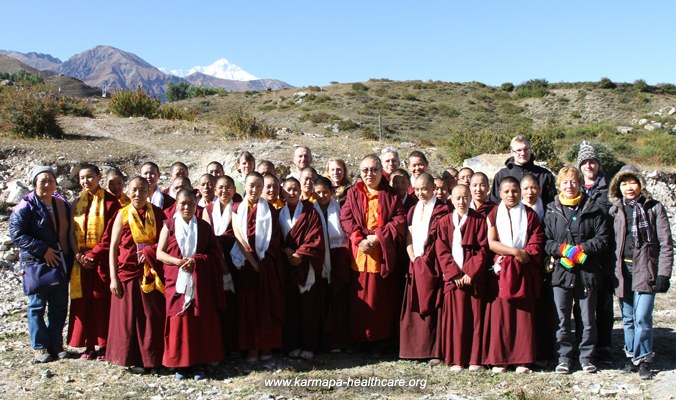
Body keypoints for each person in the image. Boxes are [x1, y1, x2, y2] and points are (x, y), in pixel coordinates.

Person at [608, 165, 673, 380]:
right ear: (618, 186)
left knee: (642, 316)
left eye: (632, 182)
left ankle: (644, 357)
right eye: (624, 183)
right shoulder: (615, 209)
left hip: (646, 268)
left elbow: (666, 244)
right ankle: (632, 356)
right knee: (627, 317)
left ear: (640, 184)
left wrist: (664, 274)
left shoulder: (654, 208)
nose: (629, 187)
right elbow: (612, 244)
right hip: (622, 270)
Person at [544, 167, 609, 374]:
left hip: (587, 271)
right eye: (565, 182)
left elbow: (602, 238)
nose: (569, 186)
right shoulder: (551, 209)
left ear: (580, 183)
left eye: (573, 182)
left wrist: (582, 250)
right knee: (561, 317)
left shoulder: (594, 208)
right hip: (561, 272)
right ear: (559, 185)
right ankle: (564, 357)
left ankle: (586, 357)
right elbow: (546, 240)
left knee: (587, 317)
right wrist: (562, 250)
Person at [156, 189, 226, 380]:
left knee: (199, 321)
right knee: (179, 321)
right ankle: (181, 364)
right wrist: (178, 262)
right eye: (183, 204)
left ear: (196, 205)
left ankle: (199, 363)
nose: (187, 207)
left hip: (199, 281)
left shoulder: (204, 227)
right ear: (176, 205)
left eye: (191, 204)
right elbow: (159, 253)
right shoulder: (168, 225)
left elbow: (215, 254)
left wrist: (197, 261)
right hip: (176, 280)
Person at [340, 155, 406, 353]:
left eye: (374, 169)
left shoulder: (391, 194)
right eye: (365, 170)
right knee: (359, 298)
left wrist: (377, 237)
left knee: (380, 299)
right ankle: (360, 340)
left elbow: (399, 219)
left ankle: (380, 341)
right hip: (360, 251)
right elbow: (346, 217)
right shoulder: (353, 192)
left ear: (381, 171)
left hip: (381, 250)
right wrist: (359, 239)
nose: (369, 174)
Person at [10, 166, 75, 363]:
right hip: (37, 262)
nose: (47, 185)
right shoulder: (26, 205)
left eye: (51, 180)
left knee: (59, 304)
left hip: (61, 260)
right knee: (37, 305)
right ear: (34, 184)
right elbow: (17, 234)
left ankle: (56, 344)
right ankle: (39, 346)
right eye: (42, 181)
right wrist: (42, 250)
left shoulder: (62, 203)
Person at [484, 176, 544, 374]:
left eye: (515, 191)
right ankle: (500, 360)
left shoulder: (529, 214)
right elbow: (492, 243)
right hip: (502, 271)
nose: (511, 195)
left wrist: (523, 253)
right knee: (501, 315)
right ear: (500, 194)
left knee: (522, 316)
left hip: (523, 269)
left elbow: (536, 239)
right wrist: (515, 252)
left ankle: (522, 360)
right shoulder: (493, 213)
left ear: (520, 192)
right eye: (507, 191)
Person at [107, 177, 167, 374]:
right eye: (134, 190)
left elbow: (166, 242)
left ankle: (153, 358)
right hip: (129, 272)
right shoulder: (122, 214)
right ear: (128, 191)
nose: (138, 194)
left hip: (151, 272)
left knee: (151, 316)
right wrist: (113, 278)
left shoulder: (157, 213)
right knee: (129, 317)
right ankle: (131, 358)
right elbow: (113, 247)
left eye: (142, 190)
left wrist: (150, 252)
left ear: (148, 191)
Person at [68, 164, 121, 360]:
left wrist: (94, 254)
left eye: (90, 177)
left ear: (99, 177)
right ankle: (88, 345)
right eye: (82, 178)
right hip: (81, 261)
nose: (86, 181)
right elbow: (71, 233)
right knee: (84, 301)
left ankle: (105, 345)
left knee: (101, 300)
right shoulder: (77, 203)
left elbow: (110, 234)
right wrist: (77, 255)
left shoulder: (110, 202)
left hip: (102, 260)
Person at [231, 172, 285, 362]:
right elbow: (237, 238)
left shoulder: (270, 209)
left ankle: (266, 345)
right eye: (251, 185)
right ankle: (251, 347)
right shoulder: (237, 209)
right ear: (244, 186)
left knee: (265, 304)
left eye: (258, 186)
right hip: (246, 265)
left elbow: (276, 238)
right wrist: (252, 261)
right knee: (248, 307)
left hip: (266, 264)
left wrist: (264, 261)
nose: (254, 190)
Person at [435, 185, 488, 370]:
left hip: (472, 279)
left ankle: (474, 359)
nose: (461, 201)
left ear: (470, 198)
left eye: (465, 197)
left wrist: (468, 272)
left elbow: (483, 249)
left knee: (474, 319)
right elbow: (441, 249)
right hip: (454, 280)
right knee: (455, 320)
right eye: (457, 198)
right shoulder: (444, 221)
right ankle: (456, 359)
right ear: (451, 199)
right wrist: (455, 274)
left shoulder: (480, 220)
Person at [399, 173, 448, 361]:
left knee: (434, 306)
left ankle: (434, 351)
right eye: (417, 189)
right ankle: (414, 351)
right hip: (416, 263)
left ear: (433, 189)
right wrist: (412, 256)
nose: (421, 193)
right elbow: (409, 235)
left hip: (433, 264)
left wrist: (426, 259)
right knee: (415, 305)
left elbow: (442, 239)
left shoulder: (442, 209)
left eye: (425, 189)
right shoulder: (412, 209)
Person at [279, 178, 325, 360]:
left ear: (301, 191)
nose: (292, 193)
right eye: (288, 190)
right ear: (282, 192)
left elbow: (316, 237)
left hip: (306, 265)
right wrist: (286, 250)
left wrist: (301, 254)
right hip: (286, 265)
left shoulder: (310, 212)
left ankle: (309, 345)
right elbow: (274, 238)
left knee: (309, 307)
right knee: (291, 307)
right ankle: (293, 344)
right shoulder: (277, 214)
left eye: (295, 189)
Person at [576, 141, 614, 361]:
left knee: (604, 302)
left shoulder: (610, 188)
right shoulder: (575, 188)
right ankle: (585, 343)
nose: (588, 166)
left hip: (605, 252)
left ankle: (605, 346)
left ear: (598, 164)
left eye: (592, 162)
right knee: (583, 301)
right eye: (584, 162)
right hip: (581, 254)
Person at [313, 177, 351, 352]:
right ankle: (323, 339)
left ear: (332, 192)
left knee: (338, 296)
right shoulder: (311, 210)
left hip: (339, 255)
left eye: (325, 192)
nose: (322, 196)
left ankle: (339, 339)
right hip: (319, 257)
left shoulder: (340, 209)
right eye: (318, 192)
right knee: (321, 298)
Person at [202, 175, 238, 355]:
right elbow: (207, 238)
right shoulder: (207, 210)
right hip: (215, 261)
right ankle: (218, 346)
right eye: (221, 188)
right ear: (215, 191)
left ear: (235, 190)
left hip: (236, 260)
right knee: (217, 303)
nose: (225, 191)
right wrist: (219, 260)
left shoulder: (239, 209)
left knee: (234, 303)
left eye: (229, 187)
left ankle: (234, 345)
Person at [490, 135, 556, 206]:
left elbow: (551, 204)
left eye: (526, 149)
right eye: (519, 150)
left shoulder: (545, 175)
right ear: (512, 152)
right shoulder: (501, 175)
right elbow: (495, 202)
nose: (523, 153)